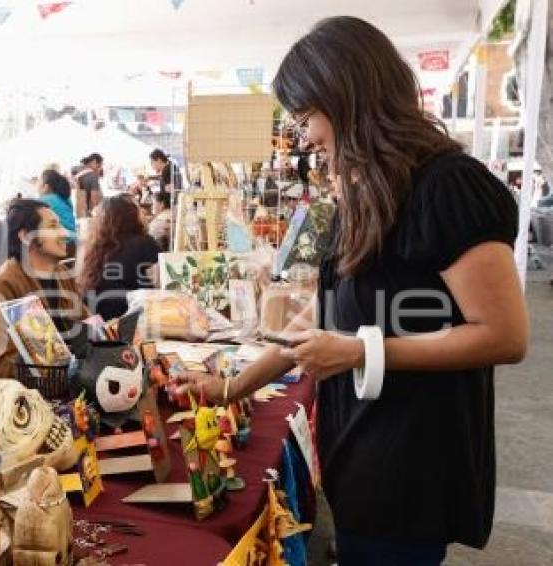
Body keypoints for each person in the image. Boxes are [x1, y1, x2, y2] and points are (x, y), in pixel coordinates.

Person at [176, 17, 528, 566]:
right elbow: (326, 312)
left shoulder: (447, 184)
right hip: (362, 459)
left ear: (347, 98)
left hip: (410, 465)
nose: (305, 137)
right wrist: (232, 386)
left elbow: (503, 335)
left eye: (307, 117)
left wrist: (364, 351)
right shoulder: (367, 191)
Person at [0, 199, 88, 378]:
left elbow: (85, 323)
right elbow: (3, 368)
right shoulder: (0, 287)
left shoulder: (61, 273)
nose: (64, 233)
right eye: (53, 226)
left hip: (67, 383)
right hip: (19, 397)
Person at [80, 195, 161, 321]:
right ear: (132, 215)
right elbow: (160, 285)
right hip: (132, 317)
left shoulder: (94, 247)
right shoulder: (145, 243)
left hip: (98, 318)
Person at [38, 169, 76, 239]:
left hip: (61, 241)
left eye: (38, 182)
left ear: (45, 187)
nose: (37, 186)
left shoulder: (44, 200)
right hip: (73, 238)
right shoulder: (65, 199)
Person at [74, 153, 104, 219]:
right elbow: (94, 199)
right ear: (94, 162)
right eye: (99, 166)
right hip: (90, 215)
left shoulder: (78, 173)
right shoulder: (92, 176)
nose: (98, 169)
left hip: (80, 213)